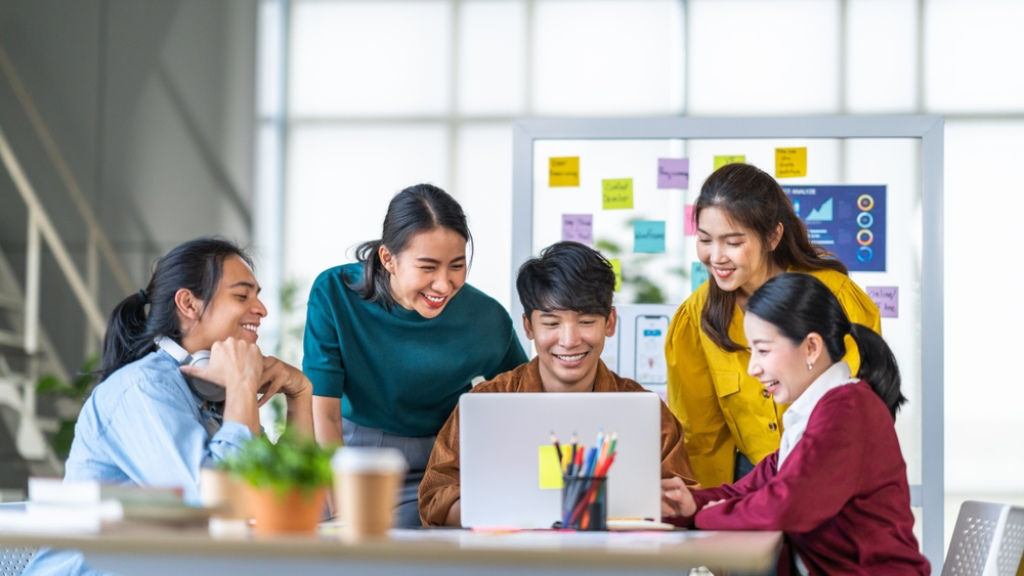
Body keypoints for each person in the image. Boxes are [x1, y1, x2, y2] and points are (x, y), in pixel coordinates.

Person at [26, 237, 313, 575]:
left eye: (258, 296)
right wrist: (241, 386)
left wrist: (300, 395)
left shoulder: (217, 394)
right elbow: (216, 506)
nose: (261, 310)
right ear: (188, 304)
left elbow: (290, 505)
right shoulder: (143, 389)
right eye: (242, 295)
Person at [661, 273, 929, 575]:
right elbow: (749, 491)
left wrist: (708, 516)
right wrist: (689, 505)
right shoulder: (813, 415)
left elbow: (786, 505)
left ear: (811, 348)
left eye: (762, 351)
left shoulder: (847, 410)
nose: (753, 368)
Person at [419, 241, 698, 526]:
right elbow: (435, 496)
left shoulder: (646, 412)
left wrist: (661, 507)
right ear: (528, 326)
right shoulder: (486, 403)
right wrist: (495, 514)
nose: (569, 340)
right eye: (551, 323)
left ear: (610, 322)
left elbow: (684, 501)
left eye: (586, 321)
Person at [303, 183, 528, 527]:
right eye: (428, 267)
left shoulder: (486, 318)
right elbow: (326, 417)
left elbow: (527, 398)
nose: (444, 284)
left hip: (439, 467)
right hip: (350, 457)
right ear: (388, 259)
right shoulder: (334, 293)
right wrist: (341, 510)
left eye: (456, 265)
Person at [665, 162, 881, 488]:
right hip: (752, 483)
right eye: (706, 240)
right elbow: (702, 438)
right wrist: (706, 515)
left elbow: (861, 410)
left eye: (733, 242)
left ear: (773, 236)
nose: (716, 256)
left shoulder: (832, 297)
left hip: (833, 478)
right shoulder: (696, 315)